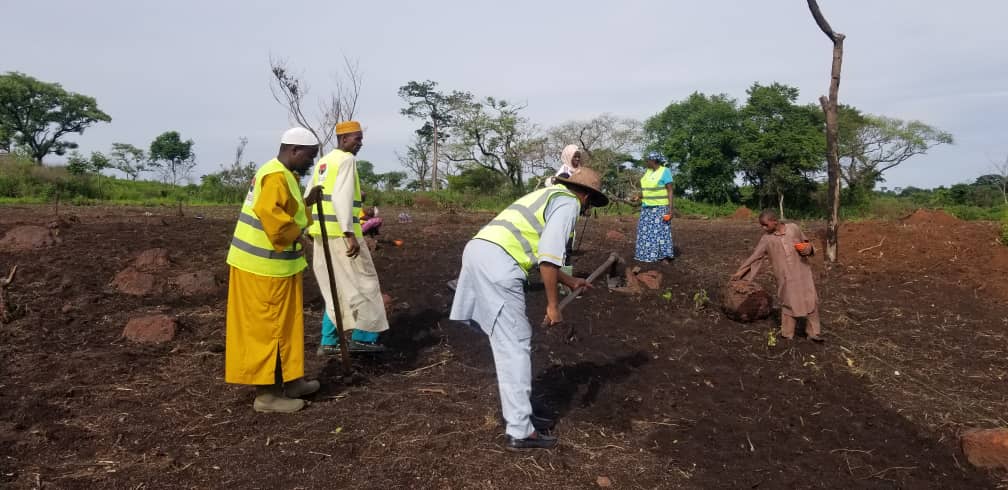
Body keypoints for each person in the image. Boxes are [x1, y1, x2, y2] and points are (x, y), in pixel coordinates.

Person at [450, 169, 609, 450]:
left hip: (480, 250)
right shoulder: (568, 203)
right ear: (585, 196)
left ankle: (520, 411)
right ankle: (520, 430)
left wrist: (570, 281)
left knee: (507, 339)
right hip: (499, 261)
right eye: (589, 206)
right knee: (514, 344)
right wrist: (552, 306)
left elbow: (538, 252)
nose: (586, 211)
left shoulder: (548, 194)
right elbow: (548, 257)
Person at [224, 127, 323, 413]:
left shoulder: (283, 175)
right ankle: (267, 396)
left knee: (286, 327)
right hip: (261, 269)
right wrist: (303, 227)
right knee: (267, 330)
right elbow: (277, 225)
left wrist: (306, 204)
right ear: (294, 150)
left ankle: (292, 381)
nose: (311, 163)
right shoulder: (275, 176)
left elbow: (285, 210)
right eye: (309, 156)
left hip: (277, 269)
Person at [306, 121, 389, 355]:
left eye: (361, 139)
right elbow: (341, 199)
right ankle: (364, 337)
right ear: (343, 139)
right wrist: (349, 234)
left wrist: (309, 229)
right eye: (356, 139)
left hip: (323, 235)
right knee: (366, 284)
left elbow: (308, 197)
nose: (360, 144)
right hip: (342, 237)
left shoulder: (323, 162)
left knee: (336, 287)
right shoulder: (347, 160)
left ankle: (329, 340)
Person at [731, 210, 824, 342]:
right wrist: (740, 273)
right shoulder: (766, 239)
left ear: (775, 221)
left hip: (803, 272)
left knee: (810, 300)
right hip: (785, 277)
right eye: (761, 225)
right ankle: (787, 334)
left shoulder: (793, 228)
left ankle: (814, 332)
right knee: (788, 303)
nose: (763, 228)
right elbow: (755, 257)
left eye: (765, 225)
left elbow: (806, 242)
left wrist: (809, 249)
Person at [632, 151, 675, 263]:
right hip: (646, 208)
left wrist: (670, 209)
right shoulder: (648, 172)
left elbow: (670, 190)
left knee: (661, 232)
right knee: (645, 232)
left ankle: (664, 257)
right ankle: (646, 255)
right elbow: (647, 190)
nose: (646, 162)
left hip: (660, 207)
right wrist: (639, 196)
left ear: (653, 161)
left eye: (648, 160)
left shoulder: (665, 171)